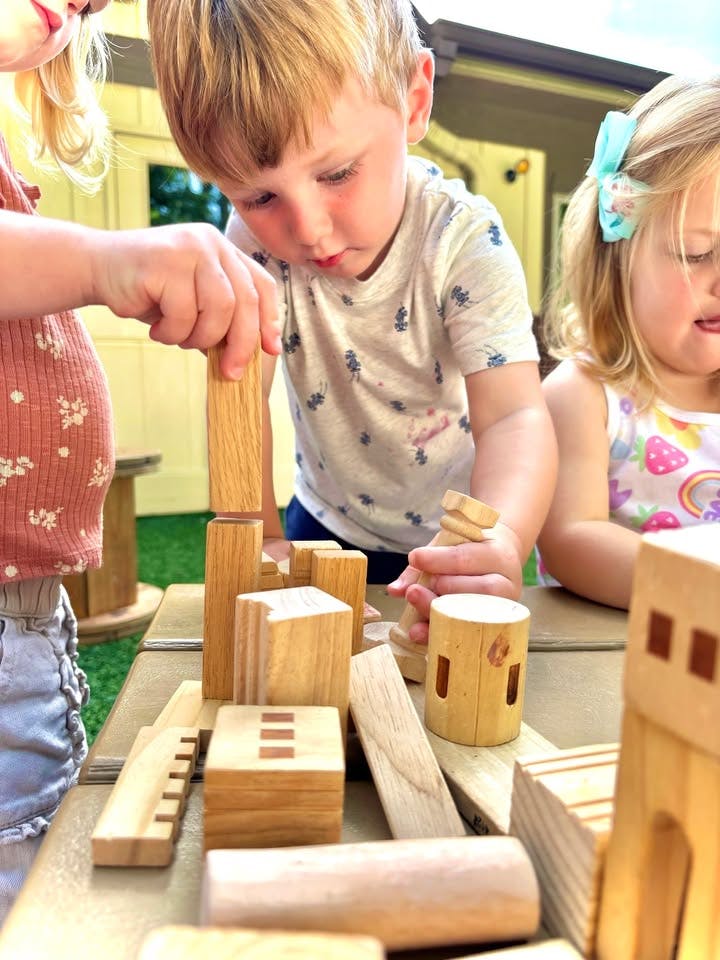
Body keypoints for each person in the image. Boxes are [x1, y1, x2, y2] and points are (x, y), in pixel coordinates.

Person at [147, 0, 557, 639]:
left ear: (414, 101)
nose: (308, 230)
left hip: (459, 540)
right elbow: (238, 404)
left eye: (337, 173)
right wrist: (262, 541)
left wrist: (499, 536)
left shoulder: (465, 242)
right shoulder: (252, 248)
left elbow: (516, 417)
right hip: (322, 525)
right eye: (258, 197)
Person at [0, 0, 281, 923]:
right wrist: (104, 259)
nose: (73, 9)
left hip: (25, 622)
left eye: (87, 6)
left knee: (33, 869)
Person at [537, 75, 720, 610]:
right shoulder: (583, 396)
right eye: (695, 252)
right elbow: (572, 539)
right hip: (605, 665)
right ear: (619, 259)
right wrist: (700, 591)